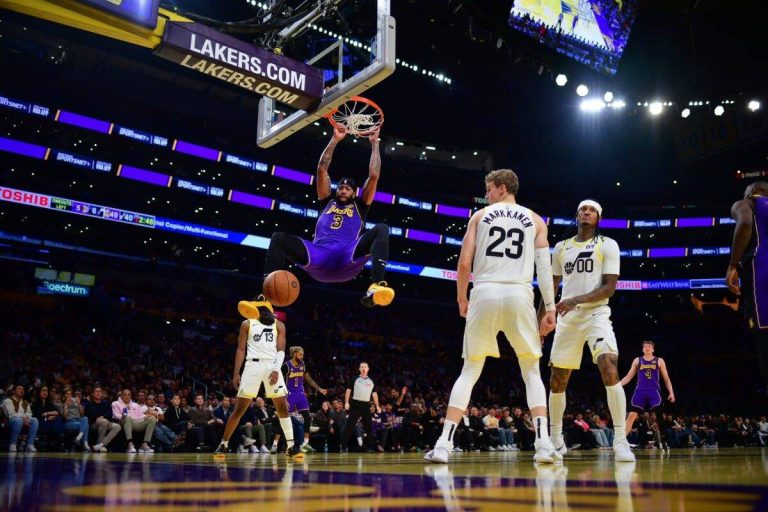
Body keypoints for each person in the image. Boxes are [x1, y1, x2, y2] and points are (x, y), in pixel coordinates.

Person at [425, 169, 559, 465]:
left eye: (488, 189)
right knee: (531, 370)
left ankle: (444, 445)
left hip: (484, 292)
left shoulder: (479, 217)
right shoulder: (536, 220)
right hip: (519, 294)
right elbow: (545, 269)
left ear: (501, 188)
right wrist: (550, 308)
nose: (486, 194)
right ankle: (544, 443)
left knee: (470, 370)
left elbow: (463, 263)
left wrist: (462, 297)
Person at [260, 126, 394, 308]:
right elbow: (322, 168)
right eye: (340, 187)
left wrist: (374, 144)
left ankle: (376, 285)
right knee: (278, 238)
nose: (343, 190)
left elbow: (374, 175)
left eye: (348, 189)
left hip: (347, 257)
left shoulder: (361, 205)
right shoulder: (327, 201)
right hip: (319, 255)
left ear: (355, 193)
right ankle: (265, 298)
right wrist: (335, 139)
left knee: (381, 229)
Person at [546, 199, 635, 462]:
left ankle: (620, 440)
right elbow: (551, 288)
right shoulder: (561, 247)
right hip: (566, 318)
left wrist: (574, 300)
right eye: (583, 210)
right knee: (557, 379)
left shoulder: (608, 244)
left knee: (609, 366)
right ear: (576, 216)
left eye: (592, 210)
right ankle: (556, 439)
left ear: (598, 217)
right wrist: (543, 318)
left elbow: (609, 287)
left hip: (596, 313)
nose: (586, 213)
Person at [213, 302, 303, 460]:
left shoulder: (279, 325)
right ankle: (224, 444)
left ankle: (290, 447)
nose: (266, 312)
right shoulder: (247, 323)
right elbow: (241, 349)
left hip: (271, 364)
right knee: (239, 409)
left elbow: (281, 350)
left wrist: (276, 369)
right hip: (252, 365)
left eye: (267, 309)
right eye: (262, 309)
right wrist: (236, 373)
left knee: (282, 407)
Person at [726, 181, 768, 386]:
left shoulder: (748, 203)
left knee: (765, 340)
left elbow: (745, 223)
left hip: (762, 274)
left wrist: (733, 264)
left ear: (751, 192)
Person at [620, 340, 675, 445]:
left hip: (653, 391)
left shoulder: (659, 361)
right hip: (640, 391)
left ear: (653, 349)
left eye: (649, 346)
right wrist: (618, 385)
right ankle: (621, 440)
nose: (647, 348)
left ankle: (663, 440)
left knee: (659, 416)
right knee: (631, 415)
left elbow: (666, 379)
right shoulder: (637, 360)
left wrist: (671, 392)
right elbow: (628, 377)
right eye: (645, 346)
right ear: (642, 349)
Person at [284, 346, 327, 452]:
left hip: (300, 394)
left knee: (307, 417)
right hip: (289, 394)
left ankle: (305, 444)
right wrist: (283, 399)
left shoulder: (303, 365)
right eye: (300, 354)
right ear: (294, 354)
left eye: (302, 355)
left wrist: (319, 388)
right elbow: (282, 383)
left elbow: (308, 379)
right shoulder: (286, 366)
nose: (302, 357)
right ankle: (282, 444)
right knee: (284, 420)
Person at [344, 361, 381, 452]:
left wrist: (377, 406)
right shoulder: (355, 379)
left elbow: (374, 394)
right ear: (359, 369)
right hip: (355, 404)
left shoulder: (371, 380)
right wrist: (346, 402)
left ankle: (370, 447)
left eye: (365, 367)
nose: (364, 368)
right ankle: (343, 446)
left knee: (369, 427)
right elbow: (348, 391)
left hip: (366, 405)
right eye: (362, 367)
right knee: (349, 426)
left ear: (368, 369)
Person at [2, 384, 38, 452]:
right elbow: (12, 414)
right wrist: (23, 418)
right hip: (9, 423)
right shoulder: (8, 401)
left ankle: (30, 444)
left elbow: (29, 413)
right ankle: (13, 444)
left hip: (22, 422)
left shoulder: (26, 403)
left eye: (23, 389)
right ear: (14, 391)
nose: (22, 391)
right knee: (18, 420)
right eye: (19, 389)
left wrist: (25, 418)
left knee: (35, 420)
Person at [84, 385, 121, 453]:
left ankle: (101, 444)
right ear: (93, 393)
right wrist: (100, 417)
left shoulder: (106, 403)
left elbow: (110, 414)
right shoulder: (89, 404)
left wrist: (102, 417)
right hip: (94, 424)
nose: (98, 393)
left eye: (100, 391)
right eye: (96, 391)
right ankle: (100, 445)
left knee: (117, 426)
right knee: (103, 421)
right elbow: (90, 416)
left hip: (105, 421)